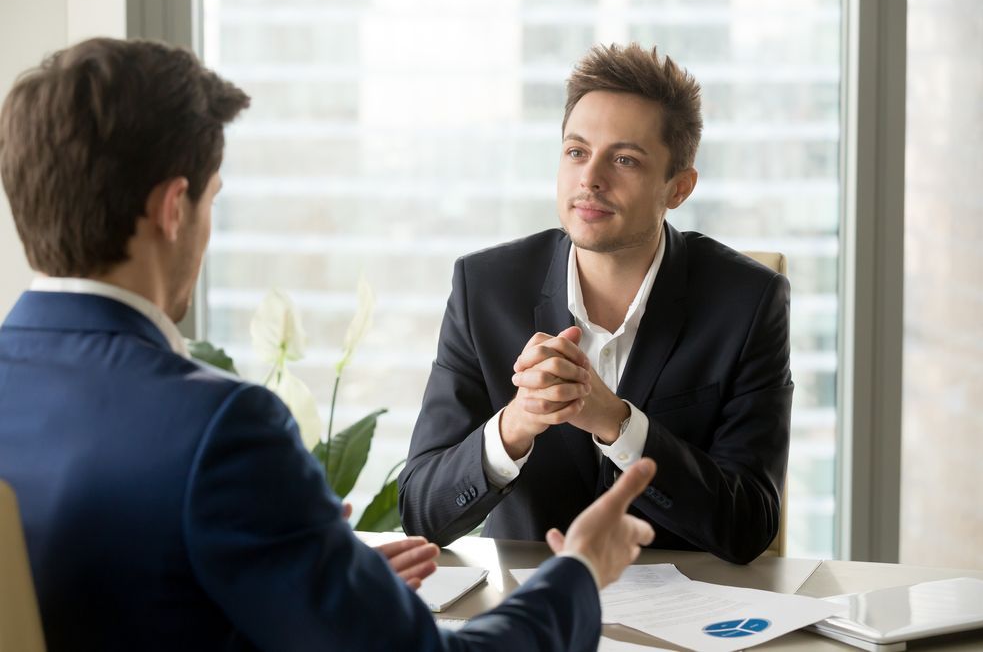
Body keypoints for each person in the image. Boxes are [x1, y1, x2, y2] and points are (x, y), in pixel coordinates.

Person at [0, 37, 658, 652]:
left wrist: (311, 576)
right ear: (174, 209)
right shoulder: (221, 429)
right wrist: (577, 571)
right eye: (210, 203)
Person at [399, 43, 793, 565]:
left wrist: (618, 423)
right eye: (576, 152)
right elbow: (420, 511)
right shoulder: (485, 288)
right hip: (537, 619)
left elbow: (749, 525)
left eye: (624, 159)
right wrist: (516, 424)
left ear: (678, 188)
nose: (590, 179)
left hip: (685, 628)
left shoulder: (748, 301)